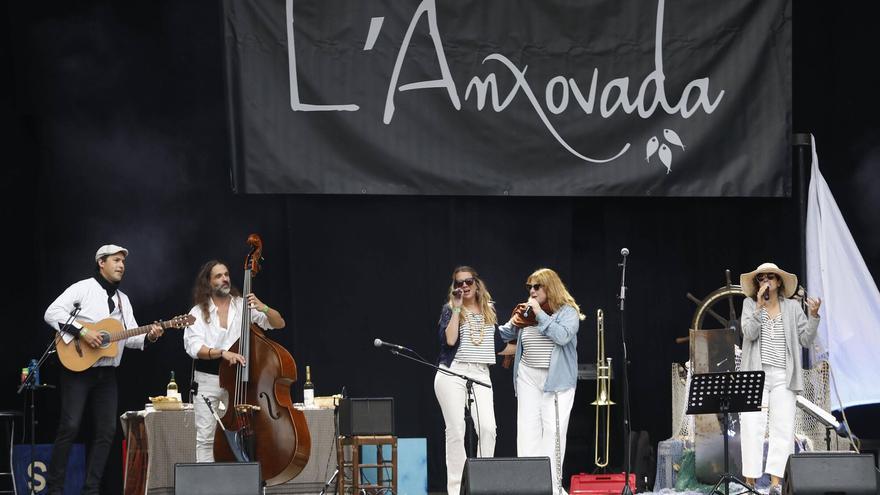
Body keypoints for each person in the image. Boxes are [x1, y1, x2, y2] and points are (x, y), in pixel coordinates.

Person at [43, 244, 164, 495]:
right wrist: (83, 331)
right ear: (101, 262)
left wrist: (150, 336)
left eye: (123, 262)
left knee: (106, 432)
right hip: (77, 370)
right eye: (116, 260)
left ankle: (91, 490)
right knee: (70, 426)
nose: (121, 265)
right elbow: (52, 312)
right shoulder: (83, 288)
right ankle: (54, 489)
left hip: (106, 374)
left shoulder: (123, 300)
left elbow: (130, 337)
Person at [183, 259, 286, 462]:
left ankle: (239, 480)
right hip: (207, 380)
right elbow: (194, 347)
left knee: (242, 434)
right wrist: (222, 353)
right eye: (218, 276)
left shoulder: (242, 305)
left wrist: (263, 307)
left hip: (237, 381)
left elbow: (278, 323)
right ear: (208, 282)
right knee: (206, 438)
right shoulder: (197, 312)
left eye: (226, 274)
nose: (224, 279)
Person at [499, 268, 584, 495]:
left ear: (550, 287)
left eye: (537, 286)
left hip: (556, 380)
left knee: (553, 433)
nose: (532, 291)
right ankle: (529, 486)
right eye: (530, 287)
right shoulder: (525, 313)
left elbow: (563, 336)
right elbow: (504, 334)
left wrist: (539, 313)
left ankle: (553, 487)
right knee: (526, 432)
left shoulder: (568, 312)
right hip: (527, 376)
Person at [739, 262, 821, 495]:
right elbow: (749, 333)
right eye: (761, 278)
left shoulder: (793, 308)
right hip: (757, 375)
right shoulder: (749, 304)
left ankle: (775, 484)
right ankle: (750, 483)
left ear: (778, 282)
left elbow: (806, 340)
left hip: (784, 376)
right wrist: (758, 307)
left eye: (770, 277)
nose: (766, 280)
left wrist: (813, 316)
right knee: (751, 426)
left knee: (782, 429)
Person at [434, 266, 512, 495]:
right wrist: (457, 309)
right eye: (459, 283)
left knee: (488, 428)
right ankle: (456, 490)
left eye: (468, 281)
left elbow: (497, 346)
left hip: (480, 373)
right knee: (456, 430)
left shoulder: (489, 311)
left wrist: (526, 344)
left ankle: (482, 486)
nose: (464, 286)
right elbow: (450, 341)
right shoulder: (450, 309)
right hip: (452, 372)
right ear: (454, 288)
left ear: (477, 284)